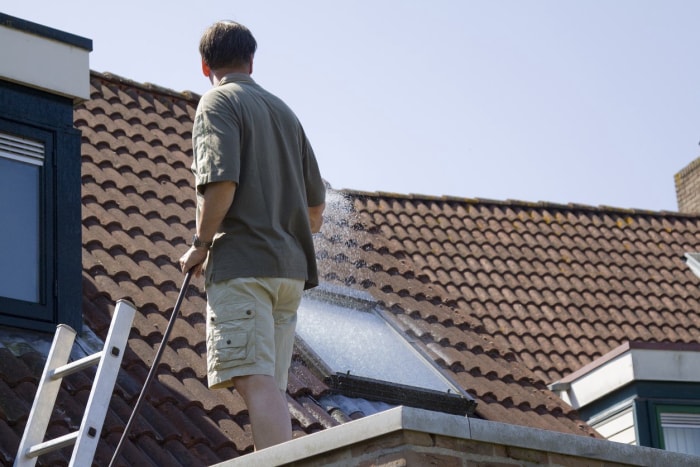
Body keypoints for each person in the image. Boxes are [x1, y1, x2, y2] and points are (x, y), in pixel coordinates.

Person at [179, 20, 326, 451]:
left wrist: (200, 246)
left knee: (255, 380)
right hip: (289, 272)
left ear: (205, 64)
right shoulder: (284, 112)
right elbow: (316, 209)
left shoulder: (217, 102)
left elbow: (222, 182)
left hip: (244, 267)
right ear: (251, 60)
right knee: (271, 386)